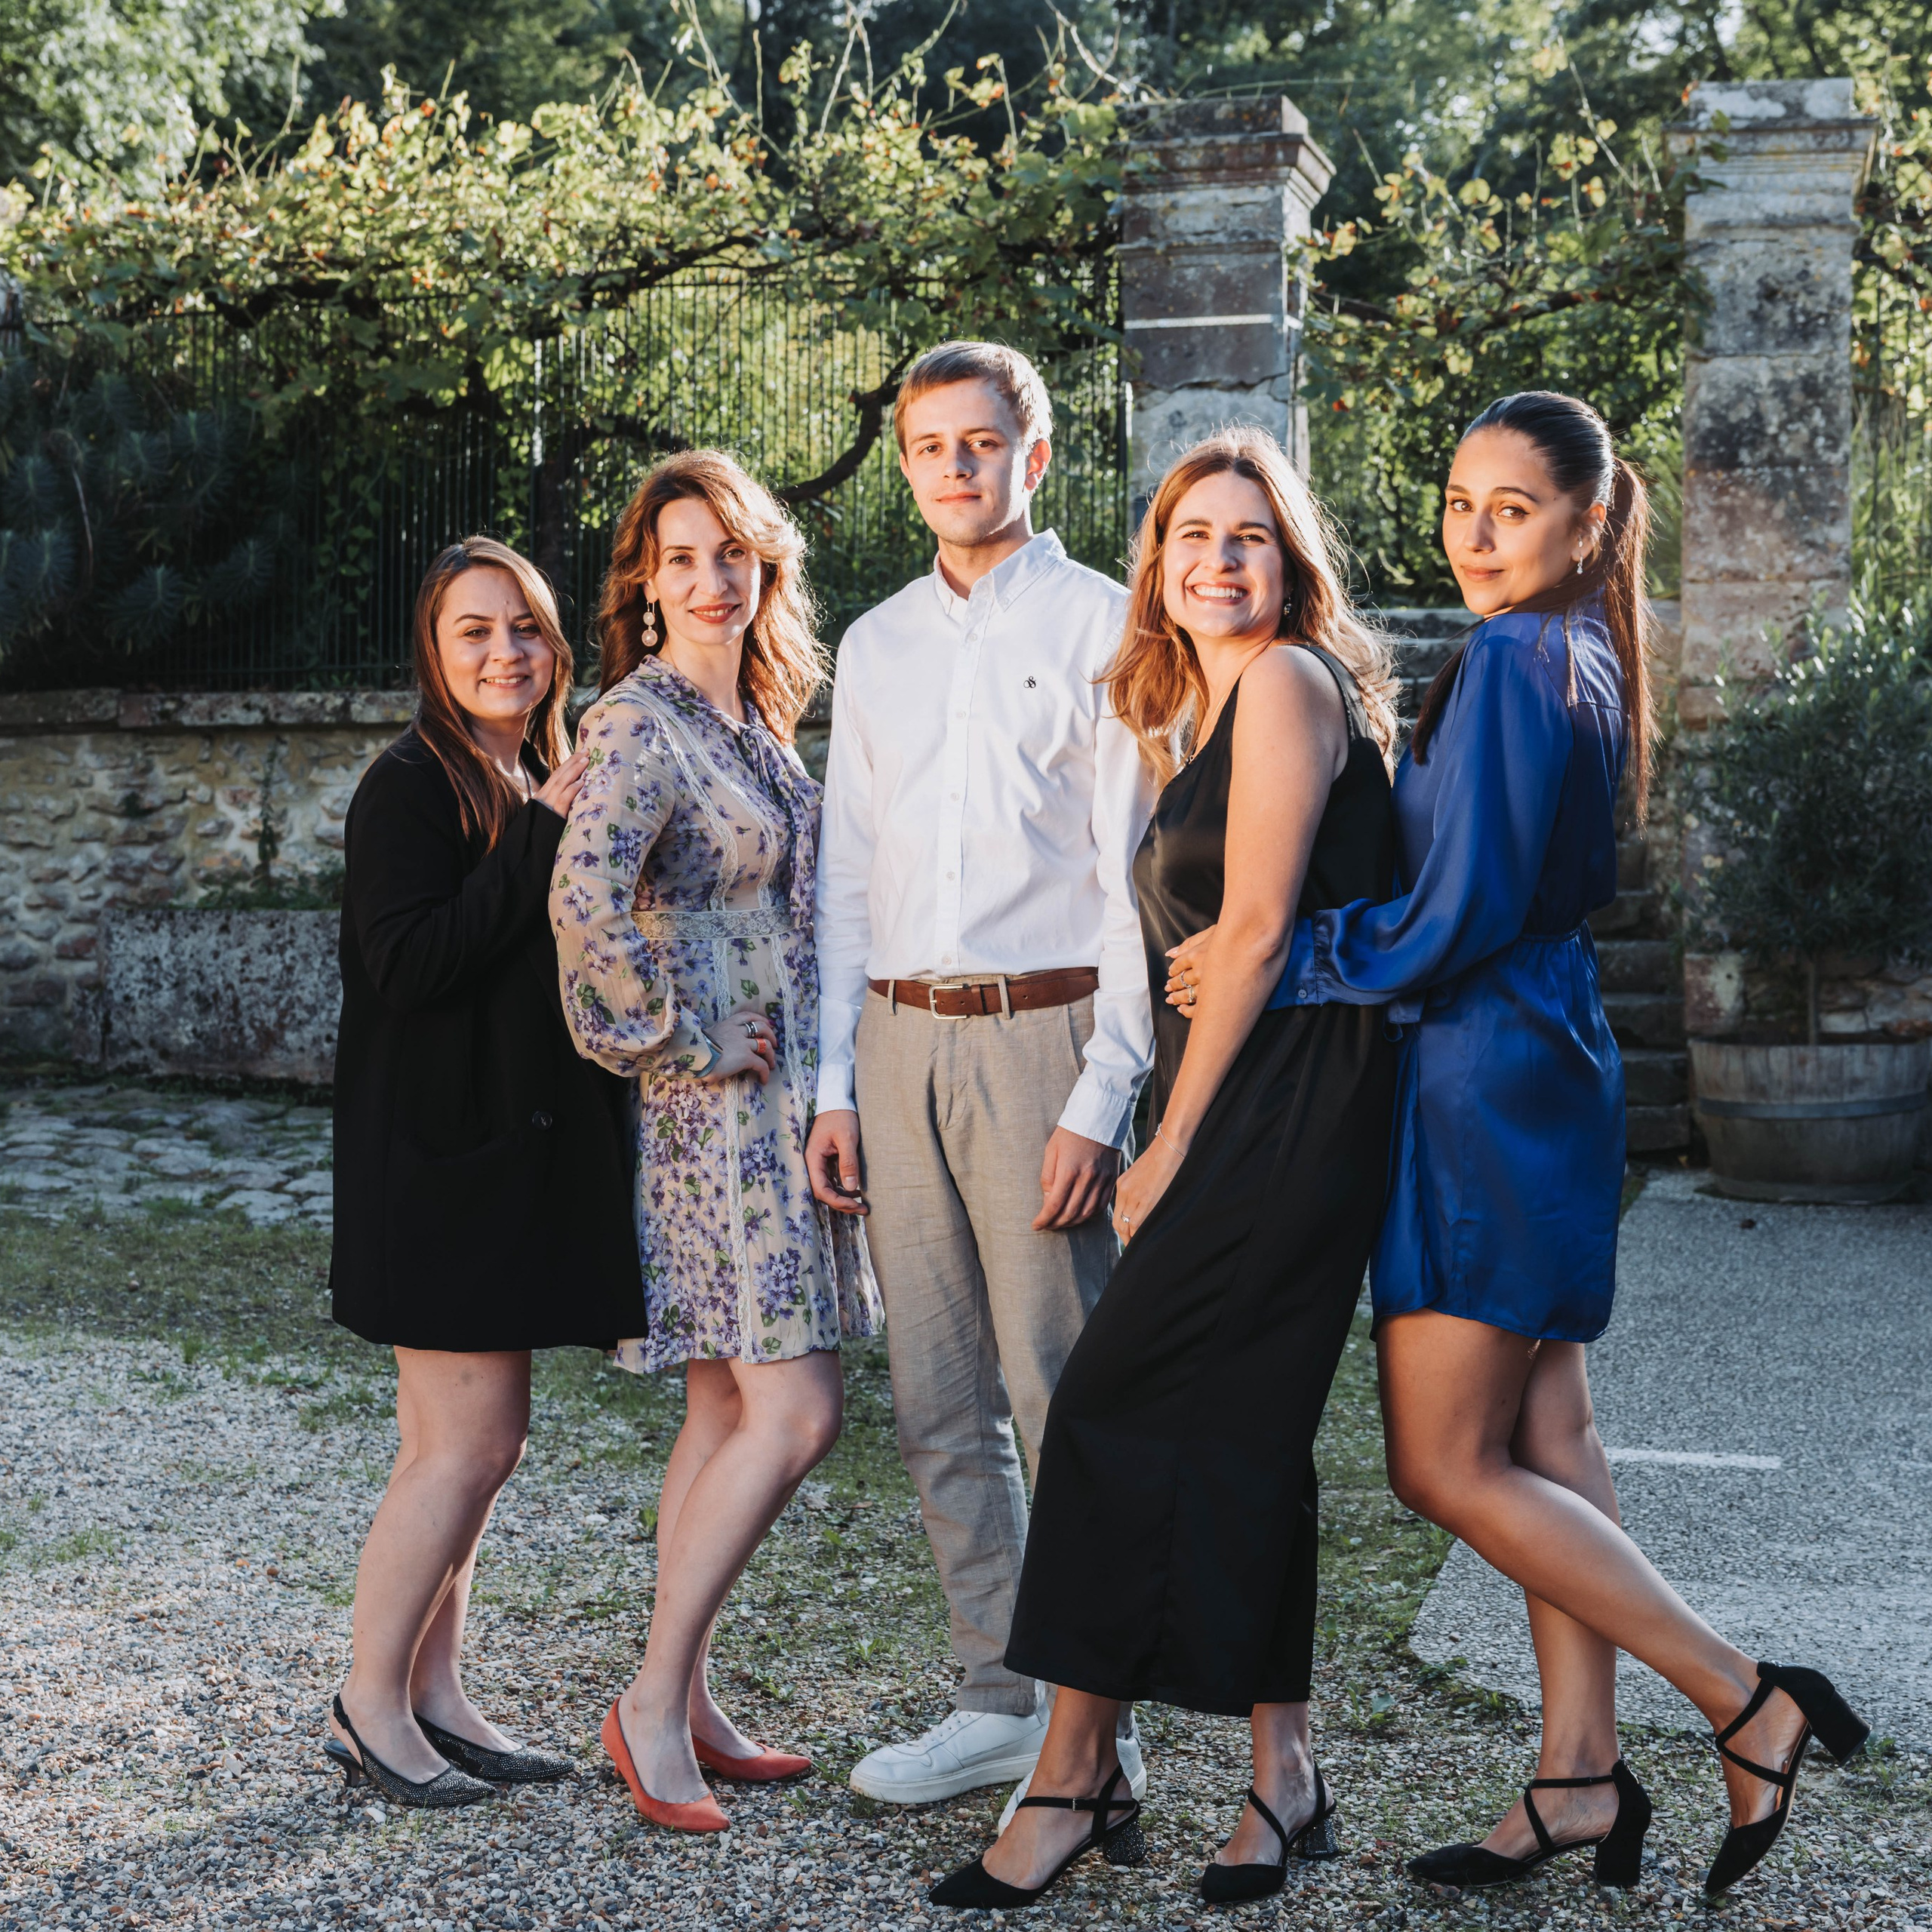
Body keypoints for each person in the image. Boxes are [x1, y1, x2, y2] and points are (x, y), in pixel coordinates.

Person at [1169, 391, 1869, 1897]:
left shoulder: (1507, 657)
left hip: (1482, 1068)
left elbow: (1461, 907)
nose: (1475, 537)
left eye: (1512, 509)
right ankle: (1576, 1775)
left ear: (1585, 523)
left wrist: (1277, 958)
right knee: (1547, 1434)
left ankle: (1744, 1696)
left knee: (1440, 1462)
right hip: (1543, 1049)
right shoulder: (1580, 648)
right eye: (1459, 504)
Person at [927, 430, 1403, 1910]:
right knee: (1244, 1427)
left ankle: (1075, 1775)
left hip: (1287, 1103)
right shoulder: (1200, 710)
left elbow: (1252, 934)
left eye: (1247, 535)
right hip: (1263, 1089)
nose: (1216, 559)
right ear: (1156, 564)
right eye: (1191, 535)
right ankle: (1282, 1775)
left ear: (1290, 563)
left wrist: (1168, 1142)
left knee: (1106, 1405)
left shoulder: (1288, 684)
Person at [804, 340, 1155, 1807]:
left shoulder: (1108, 623)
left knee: (1057, 1389)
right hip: (897, 1040)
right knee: (936, 1396)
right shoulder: (876, 642)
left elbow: (1129, 881)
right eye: (928, 446)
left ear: (1035, 454)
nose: (954, 466)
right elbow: (845, 874)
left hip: (1041, 1037)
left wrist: (1101, 1093)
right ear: (905, 466)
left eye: (980, 441)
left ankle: (1095, 1726)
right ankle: (997, 1698)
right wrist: (834, 1078)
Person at [551, 450, 881, 1835]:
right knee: (797, 1412)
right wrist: (677, 1037)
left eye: (732, 554)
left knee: (726, 1408)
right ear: (646, 581)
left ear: (764, 566)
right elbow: (583, 901)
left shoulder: (752, 717)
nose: (710, 581)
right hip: (713, 1110)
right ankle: (648, 1701)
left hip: (777, 1094)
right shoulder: (637, 722)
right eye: (681, 559)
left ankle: (681, 1697)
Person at [326, 537, 643, 1807]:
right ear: (433, 650)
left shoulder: (523, 771)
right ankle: (367, 1703)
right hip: (434, 1167)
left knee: (472, 1449)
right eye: (474, 630)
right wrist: (542, 833)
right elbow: (408, 965)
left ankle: (434, 1691)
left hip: (503, 1162)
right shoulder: (408, 787)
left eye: (524, 627)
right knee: (464, 1447)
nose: (505, 651)